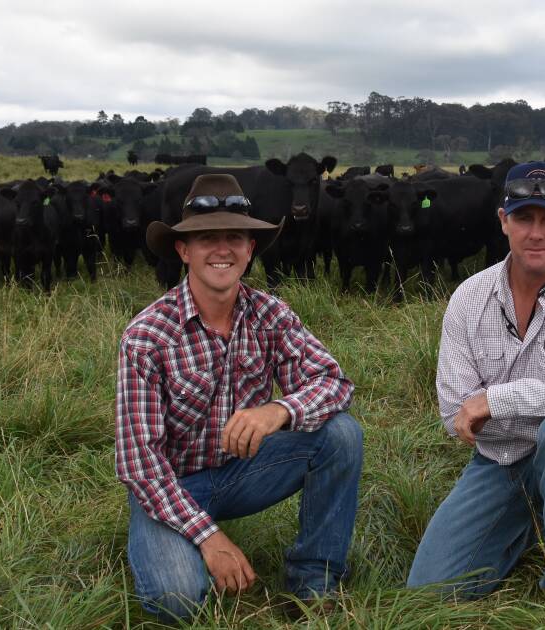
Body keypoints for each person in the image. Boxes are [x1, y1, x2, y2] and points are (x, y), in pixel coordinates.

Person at [116, 173, 363, 621]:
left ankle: (314, 583)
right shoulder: (147, 336)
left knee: (341, 434)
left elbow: (334, 382)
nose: (222, 249)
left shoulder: (271, 314)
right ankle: (175, 541)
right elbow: (139, 463)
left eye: (235, 237)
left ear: (251, 249)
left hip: (245, 472)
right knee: (178, 599)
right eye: (206, 237)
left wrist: (279, 409)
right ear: (183, 250)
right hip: (172, 487)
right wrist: (211, 539)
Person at [406, 161, 545, 611]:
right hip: (499, 461)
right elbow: (456, 413)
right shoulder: (469, 298)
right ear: (503, 221)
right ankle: (534, 516)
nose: (537, 232)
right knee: (429, 594)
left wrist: (497, 399)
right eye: (525, 218)